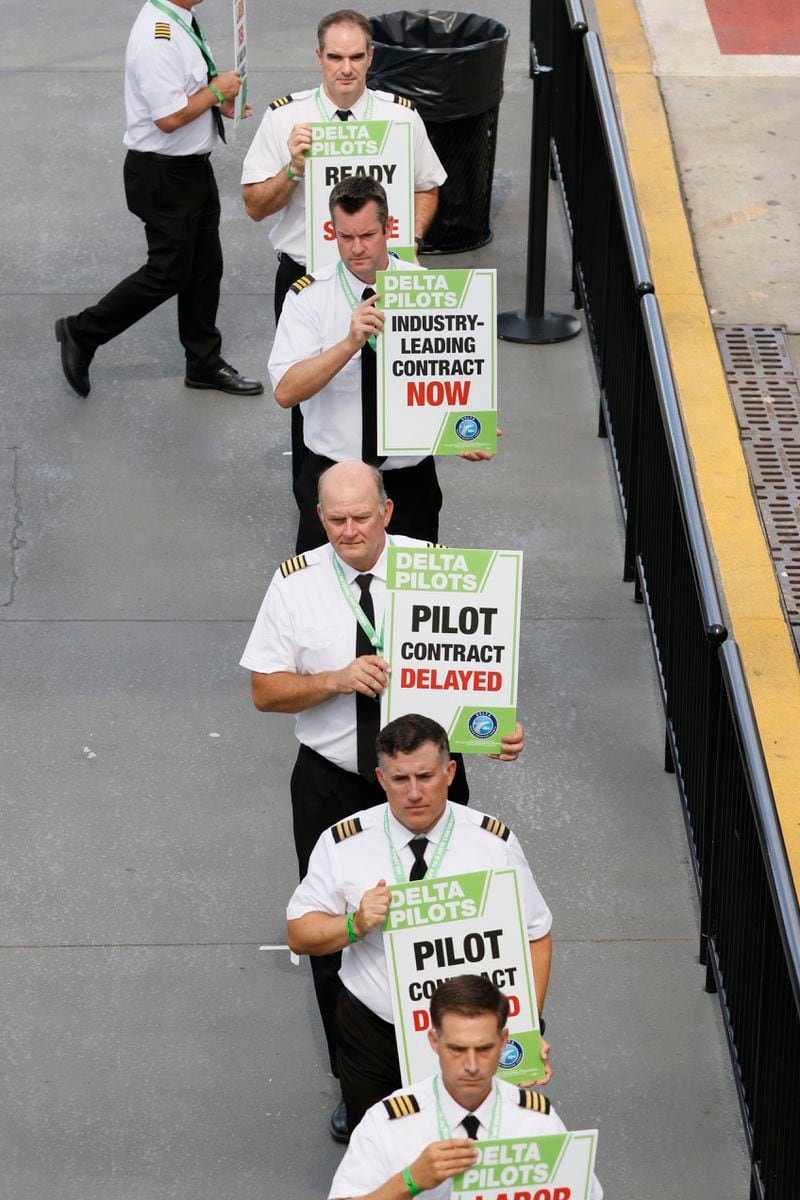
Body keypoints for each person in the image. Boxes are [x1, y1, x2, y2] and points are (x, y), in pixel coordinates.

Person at [240, 460, 525, 1139]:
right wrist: (335, 679)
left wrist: (495, 730)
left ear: (388, 512)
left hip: (427, 778)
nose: (348, 531)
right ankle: (354, 1078)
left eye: (361, 517)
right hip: (334, 781)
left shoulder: (439, 570)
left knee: (458, 924)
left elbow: (471, 671)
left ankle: (468, 1073)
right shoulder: (294, 586)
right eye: (334, 520)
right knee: (339, 930)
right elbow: (265, 691)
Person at [287, 713, 550, 1139]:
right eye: (399, 778)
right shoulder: (343, 843)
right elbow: (300, 934)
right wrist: (354, 924)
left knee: (472, 1149)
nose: (413, 793)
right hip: (375, 1033)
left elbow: (536, 934)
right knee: (380, 1152)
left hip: (467, 1035)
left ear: (450, 772)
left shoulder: (492, 844)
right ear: (380, 777)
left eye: (425, 776)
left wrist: (528, 1028)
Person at [242, 8, 446, 492]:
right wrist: (292, 169)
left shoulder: (402, 118)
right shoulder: (285, 118)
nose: (346, 68)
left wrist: (410, 243)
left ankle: (394, 495)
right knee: (311, 392)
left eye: (356, 56)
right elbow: (254, 205)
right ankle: (318, 506)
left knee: (402, 383)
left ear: (372, 56)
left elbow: (427, 186)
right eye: (335, 57)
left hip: (384, 277)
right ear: (319, 57)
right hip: (307, 279)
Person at [268, 178, 493, 553]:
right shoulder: (308, 297)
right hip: (333, 476)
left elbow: (443, 371)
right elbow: (286, 391)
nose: (357, 248)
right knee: (327, 602)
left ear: (388, 228)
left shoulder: (431, 290)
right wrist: (348, 344)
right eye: (345, 237)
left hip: (409, 484)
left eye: (367, 235)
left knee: (408, 601)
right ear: (332, 231)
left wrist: (463, 430)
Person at [55, 0, 263, 399]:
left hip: (191, 168)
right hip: (163, 174)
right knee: (168, 271)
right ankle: (81, 332)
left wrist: (217, 100)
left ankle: (203, 362)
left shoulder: (180, 19)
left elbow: (185, 89)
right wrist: (216, 91)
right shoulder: (157, 37)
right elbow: (168, 118)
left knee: (205, 268)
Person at [328, 976, 603, 1200]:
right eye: (457, 1049)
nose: (471, 1065)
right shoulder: (389, 1122)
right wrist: (409, 1181)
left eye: (484, 1049)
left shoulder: (536, 1121)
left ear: (504, 1040)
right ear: (434, 1041)